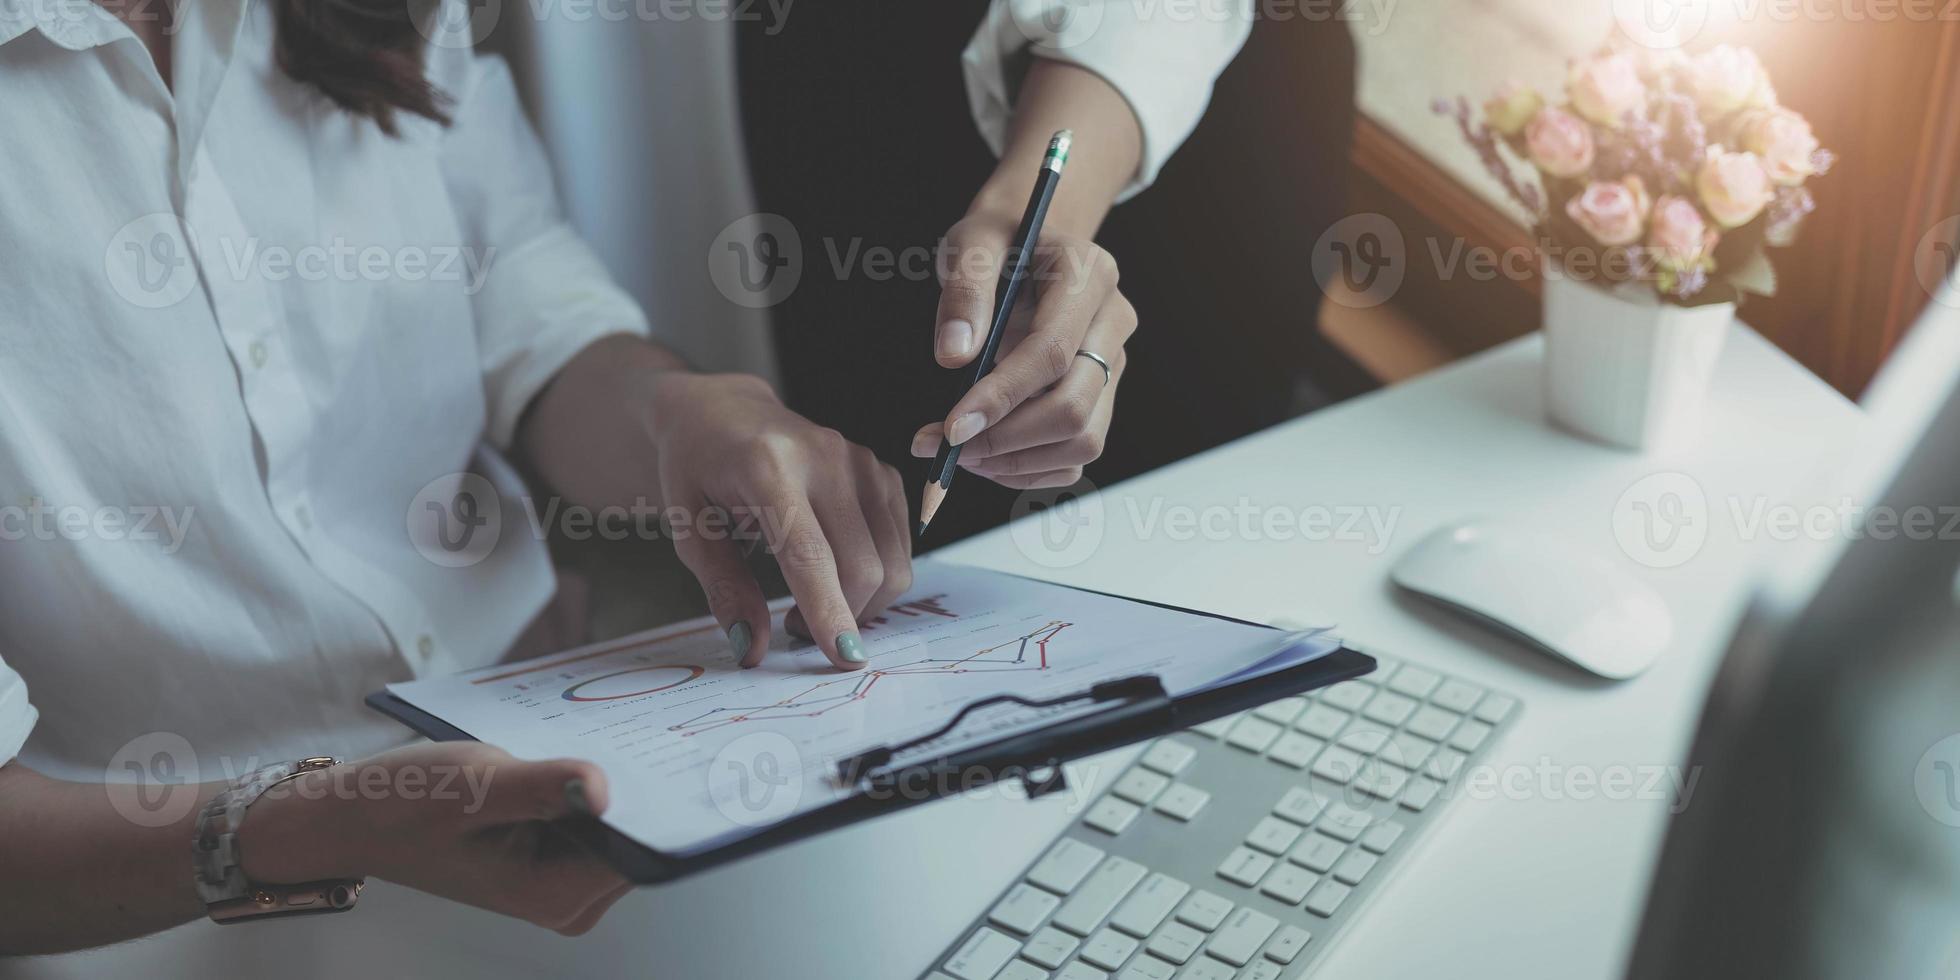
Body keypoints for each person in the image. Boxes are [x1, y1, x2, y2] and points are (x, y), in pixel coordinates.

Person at [0, 0, 1237, 956]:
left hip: (588, 811)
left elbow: (525, 305)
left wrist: (683, 415)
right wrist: (320, 820)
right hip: (180, 925)